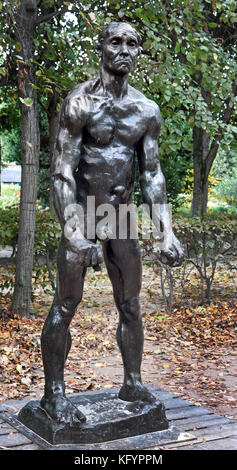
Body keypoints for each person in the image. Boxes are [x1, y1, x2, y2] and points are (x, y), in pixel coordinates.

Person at [40, 22, 184, 425]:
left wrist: (164, 229)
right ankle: (54, 395)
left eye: (132, 44)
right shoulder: (79, 104)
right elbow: (62, 172)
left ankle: (132, 382)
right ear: (101, 47)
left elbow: (152, 174)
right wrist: (72, 231)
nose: (124, 49)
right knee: (66, 304)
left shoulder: (146, 110)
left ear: (139, 53)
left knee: (131, 305)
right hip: (81, 213)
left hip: (119, 215)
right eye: (116, 41)